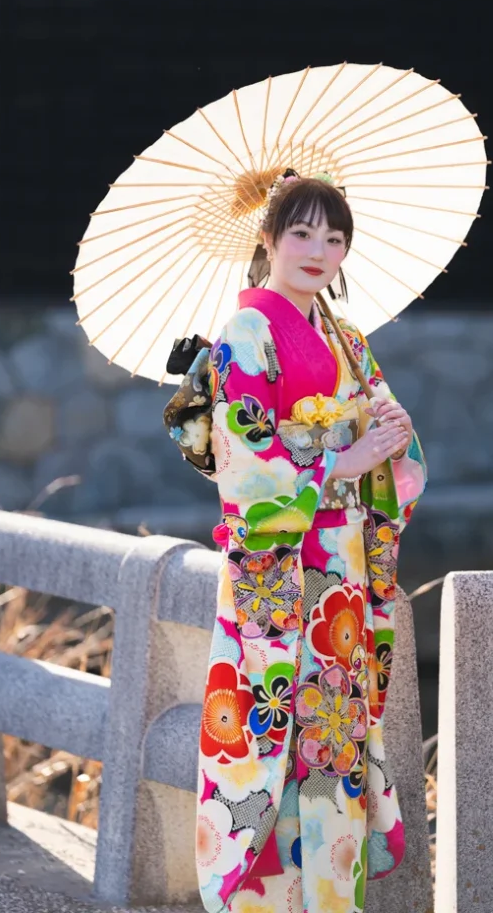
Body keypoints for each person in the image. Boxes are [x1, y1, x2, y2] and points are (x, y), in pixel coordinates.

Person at [163, 171, 428, 913]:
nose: (319, 251)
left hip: (341, 565)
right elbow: (245, 461)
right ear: (268, 238)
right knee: (272, 727)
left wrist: (393, 434)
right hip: (278, 564)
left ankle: (331, 897)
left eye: (335, 238)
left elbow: (391, 446)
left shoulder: (347, 337)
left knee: (333, 731)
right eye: (302, 233)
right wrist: (342, 460)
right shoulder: (245, 333)